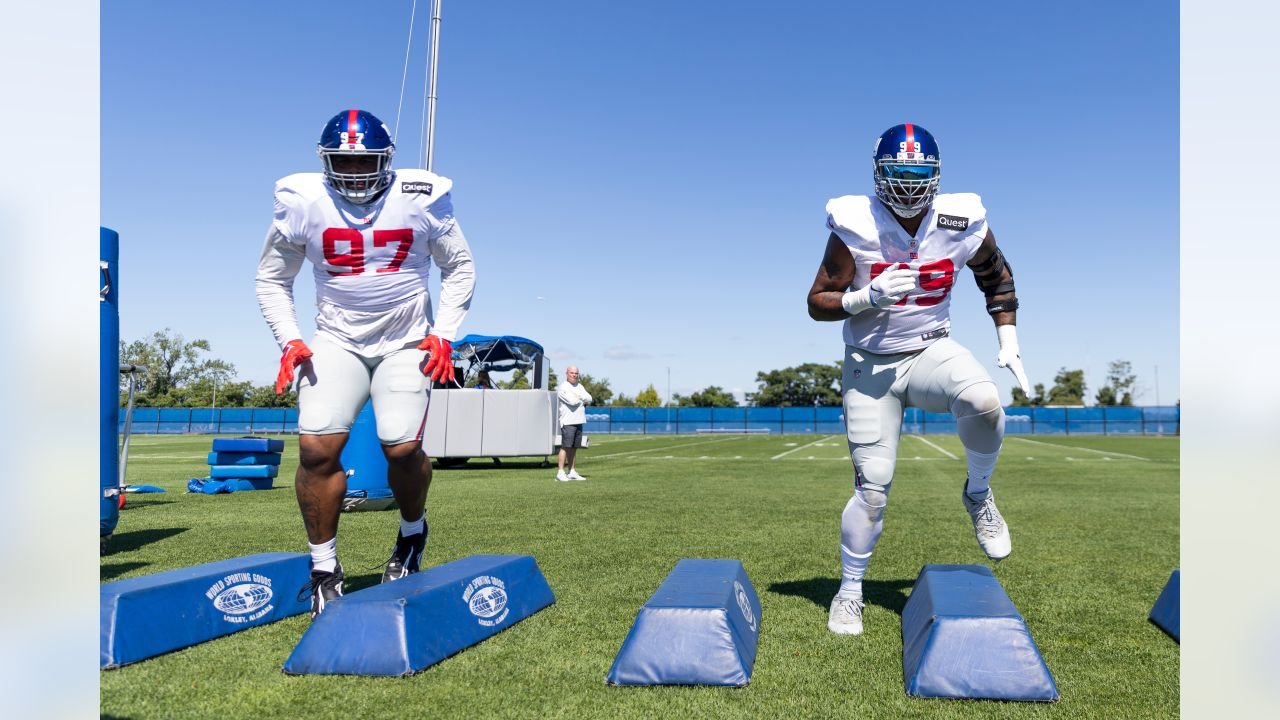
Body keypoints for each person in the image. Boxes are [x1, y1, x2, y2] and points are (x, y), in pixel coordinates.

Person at [805, 123, 1029, 636]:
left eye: (918, 174)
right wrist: (865, 298)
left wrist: (1008, 338)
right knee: (873, 489)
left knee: (983, 399)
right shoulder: (854, 222)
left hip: (931, 349)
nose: (907, 185)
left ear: (937, 175)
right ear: (878, 174)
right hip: (871, 364)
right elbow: (816, 301)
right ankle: (851, 591)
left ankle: (978, 494)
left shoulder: (961, 216)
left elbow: (994, 272)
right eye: (897, 174)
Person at [255, 109, 476, 617]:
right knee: (316, 447)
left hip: (407, 341)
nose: (355, 175)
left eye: (366, 163)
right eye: (344, 163)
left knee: (401, 448)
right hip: (336, 339)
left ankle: (412, 532)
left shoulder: (421, 196)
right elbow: (271, 277)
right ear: (326, 162)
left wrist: (443, 334)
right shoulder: (302, 200)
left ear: (387, 160)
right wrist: (289, 339)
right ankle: (324, 567)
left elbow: (459, 265)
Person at [556, 366, 591, 481]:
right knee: (565, 447)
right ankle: (560, 473)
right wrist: (581, 398)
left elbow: (589, 398)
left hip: (579, 420)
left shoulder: (580, 386)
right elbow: (572, 401)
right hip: (568, 422)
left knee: (574, 447)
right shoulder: (563, 387)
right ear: (567, 373)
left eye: (576, 373)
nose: (574, 375)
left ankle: (571, 471)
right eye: (571, 373)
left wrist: (579, 397)